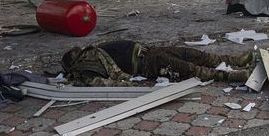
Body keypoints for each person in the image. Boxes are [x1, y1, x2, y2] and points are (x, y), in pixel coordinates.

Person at [62, 40, 255, 86]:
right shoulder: (85, 66)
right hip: (146, 64)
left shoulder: (93, 51)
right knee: (187, 69)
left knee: (192, 53)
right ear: (74, 61)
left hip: (149, 50)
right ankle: (231, 75)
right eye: (76, 54)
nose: (80, 51)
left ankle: (233, 61)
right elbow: (104, 82)